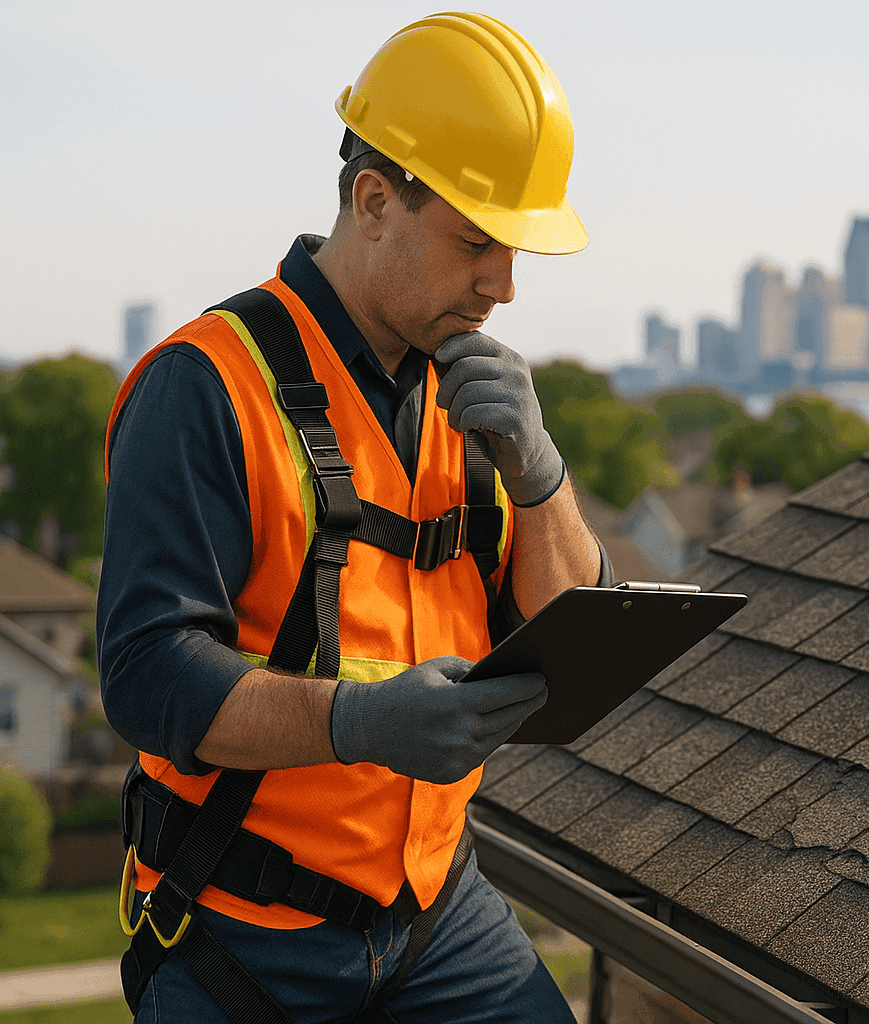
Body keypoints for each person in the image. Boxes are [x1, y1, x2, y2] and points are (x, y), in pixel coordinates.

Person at [99, 13, 603, 1023]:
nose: (502, 287)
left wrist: (541, 477)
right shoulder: (208, 385)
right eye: (476, 243)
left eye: (515, 253)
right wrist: (362, 721)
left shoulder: (471, 399)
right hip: (239, 930)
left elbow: (570, 627)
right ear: (375, 200)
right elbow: (150, 678)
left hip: (432, 912)